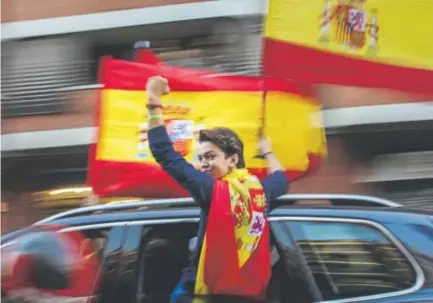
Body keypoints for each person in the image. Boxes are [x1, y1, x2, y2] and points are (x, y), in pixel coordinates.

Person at [146, 76, 289, 303]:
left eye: (211, 157)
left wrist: (153, 102)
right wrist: (268, 151)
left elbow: (165, 154)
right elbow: (282, 180)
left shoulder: (212, 190)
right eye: (200, 158)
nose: (203, 164)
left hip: (204, 292)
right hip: (250, 295)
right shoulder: (259, 191)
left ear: (232, 160)